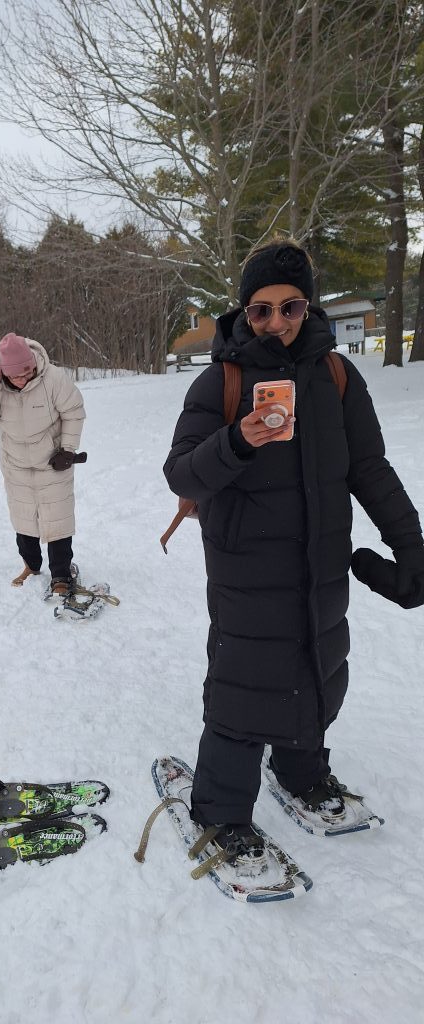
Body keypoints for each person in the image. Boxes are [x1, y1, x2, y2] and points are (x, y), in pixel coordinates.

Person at [164, 239, 424, 867]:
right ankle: (220, 809)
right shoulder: (220, 381)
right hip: (246, 568)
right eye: (262, 309)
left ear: (308, 307)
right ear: (243, 311)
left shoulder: (337, 377)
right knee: (245, 684)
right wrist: (237, 441)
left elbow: (369, 468)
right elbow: (182, 473)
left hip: (322, 563)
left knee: (318, 667)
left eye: (291, 307)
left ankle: (301, 771)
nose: (277, 321)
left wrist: (411, 547)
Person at [0, 332, 86, 594]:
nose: (23, 380)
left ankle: (61, 575)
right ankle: (31, 566)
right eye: (16, 376)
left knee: (58, 519)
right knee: (24, 520)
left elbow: (74, 411)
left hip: (53, 462)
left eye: (27, 372)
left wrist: (67, 450)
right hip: (16, 465)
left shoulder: (53, 378)